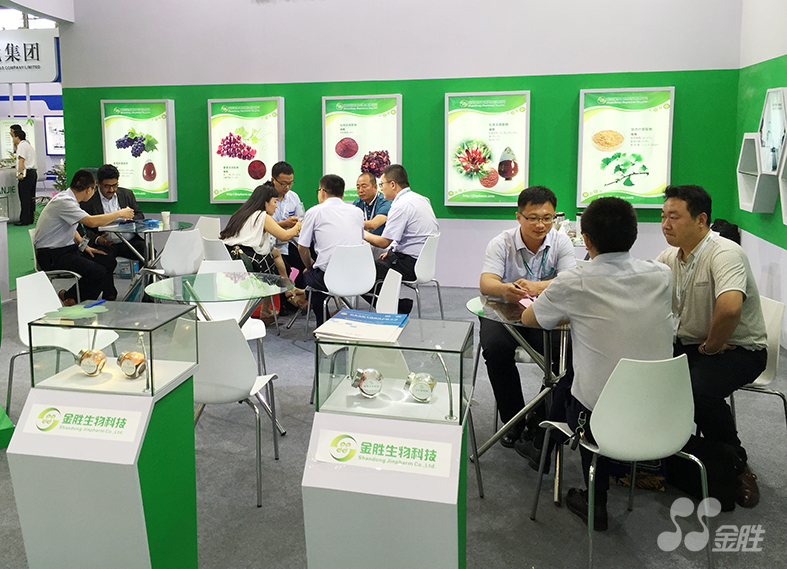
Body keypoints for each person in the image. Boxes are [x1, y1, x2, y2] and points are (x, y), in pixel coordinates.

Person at [521, 196, 674, 531]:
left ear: (586, 240)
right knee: (576, 374)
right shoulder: (662, 274)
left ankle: (593, 498)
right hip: (666, 411)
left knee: (578, 383)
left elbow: (531, 318)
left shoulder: (575, 281)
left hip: (601, 418)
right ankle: (543, 446)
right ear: (635, 234)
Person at [656, 184, 767, 509]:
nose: (665, 225)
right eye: (663, 216)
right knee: (640, 374)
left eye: (674, 217)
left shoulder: (725, 253)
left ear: (701, 219)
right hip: (692, 344)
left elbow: (730, 309)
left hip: (737, 349)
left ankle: (737, 464)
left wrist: (710, 347)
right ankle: (671, 453)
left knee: (698, 390)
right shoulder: (670, 256)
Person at [478, 186, 576, 447]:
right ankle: (513, 421)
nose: (541, 225)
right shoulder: (501, 243)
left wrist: (538, 286)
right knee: (496, 349)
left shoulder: (561, 241)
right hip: (503, 313)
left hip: (544, 315)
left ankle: (539, 419)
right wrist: (504, 289)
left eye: (547, 218)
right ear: (519, 217)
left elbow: (570, 280)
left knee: (568, 356)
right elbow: (486, 283)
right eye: (533, 218)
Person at [34, 169, 135, 304]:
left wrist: (84, 245)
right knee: (98, 272)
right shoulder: (64, 201)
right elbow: (91, 222)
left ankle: (70, 296)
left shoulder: (70, 200)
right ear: (89, 190)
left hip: (68, 249)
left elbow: (72, 226)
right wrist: (119, 213)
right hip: (52, 254)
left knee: (108, 261)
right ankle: (77, 302)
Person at [220, 182, 306, 317]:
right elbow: (284, 235)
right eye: (274, 202)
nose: (276, 206)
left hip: (230, 257)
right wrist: (298, 226)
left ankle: (287, 289)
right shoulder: (262, 216)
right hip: (247, 262)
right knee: (270, 265)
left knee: (275, 252)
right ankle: (279, 297)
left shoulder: (242, 213)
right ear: (265, 202)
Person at [363, 164, 439, 312]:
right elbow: (409, 236)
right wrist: (392, 251)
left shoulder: (400, 206)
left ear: (392, 184)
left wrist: (361, 233)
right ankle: (395, 306)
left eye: (382, 184)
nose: (381, 189)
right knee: (379, 264)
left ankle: (397, 308)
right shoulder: (422, 199)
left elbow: (383, 242)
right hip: (423, 263)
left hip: (409, 264)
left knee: (364, 272)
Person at [298, 174, 364, 326]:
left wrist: (309, 267)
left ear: (322, 192)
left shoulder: (314, 212)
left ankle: (323, 324)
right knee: (316, 281)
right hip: (358, 276)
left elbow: (302, 247)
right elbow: (359, 240)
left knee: (309, 277)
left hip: (330, 278)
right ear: (342, 194)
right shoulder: (357, 212)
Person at [80, 163, 146, 261]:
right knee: (104, 260)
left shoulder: (126, 194)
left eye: (114, 185)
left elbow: (140, 215)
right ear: (98, 183)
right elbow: (83, 228)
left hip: (129, 241)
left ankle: (142, 272)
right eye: (107, 186)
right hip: (105, 243)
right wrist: (97, 239)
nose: (111, 190)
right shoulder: (89, 200)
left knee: (148, 252)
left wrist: (130, 217)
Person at [353, 172, 391, 236]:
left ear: (375, 187)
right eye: (358, 187)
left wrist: (351, 223)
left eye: (364, 186)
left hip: (381, 240)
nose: (360, 190)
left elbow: (374, 224)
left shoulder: (385, 202)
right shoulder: (357, 203)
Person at [12, 128, 36, 226]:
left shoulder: (22, 146)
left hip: (26, 173)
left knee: (24, 197)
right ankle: (30, 217)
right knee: (31, 197)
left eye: (13, 137)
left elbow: (21, 160)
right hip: (32, 173)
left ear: (17, 137)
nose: (12, 139)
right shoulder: (28, 145)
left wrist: (20, 173)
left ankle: (24, 219)